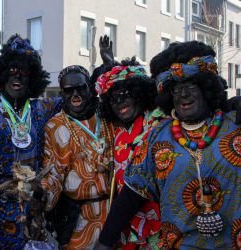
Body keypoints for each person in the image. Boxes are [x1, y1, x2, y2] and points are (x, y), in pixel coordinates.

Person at [95, 41, 241, 249]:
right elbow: (131, 194)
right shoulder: (158, 137)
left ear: (206, 88)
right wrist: (104, 242)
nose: (183, 95)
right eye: (176, 90)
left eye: (190, 86)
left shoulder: (235, 125)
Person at [0, 34, 62, 249]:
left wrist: (105, 69)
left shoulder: (41, 109)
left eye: (24, 72)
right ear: (1, 74)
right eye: (11, 70)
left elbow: (79, 98)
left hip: (31, 206)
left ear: (33, 77)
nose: (17, 77)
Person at [40, 65, 114, 249]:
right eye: (68, 90)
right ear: (62, 93)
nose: (75, 94)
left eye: (80, 88)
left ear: (90, 88)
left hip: (114, 213)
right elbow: (53, 174)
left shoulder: (107, 117)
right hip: (78, 219)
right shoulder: (54, 126)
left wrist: (109, 66)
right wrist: (40, 193)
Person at [95, 57, 164, 249]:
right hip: (128, 228)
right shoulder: (118, 130)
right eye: (113, 98)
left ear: (139, 94)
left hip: (159, 228)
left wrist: (233, 103)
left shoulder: (157, 121)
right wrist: (111, 65)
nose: (119, 102)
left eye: (125, 94)